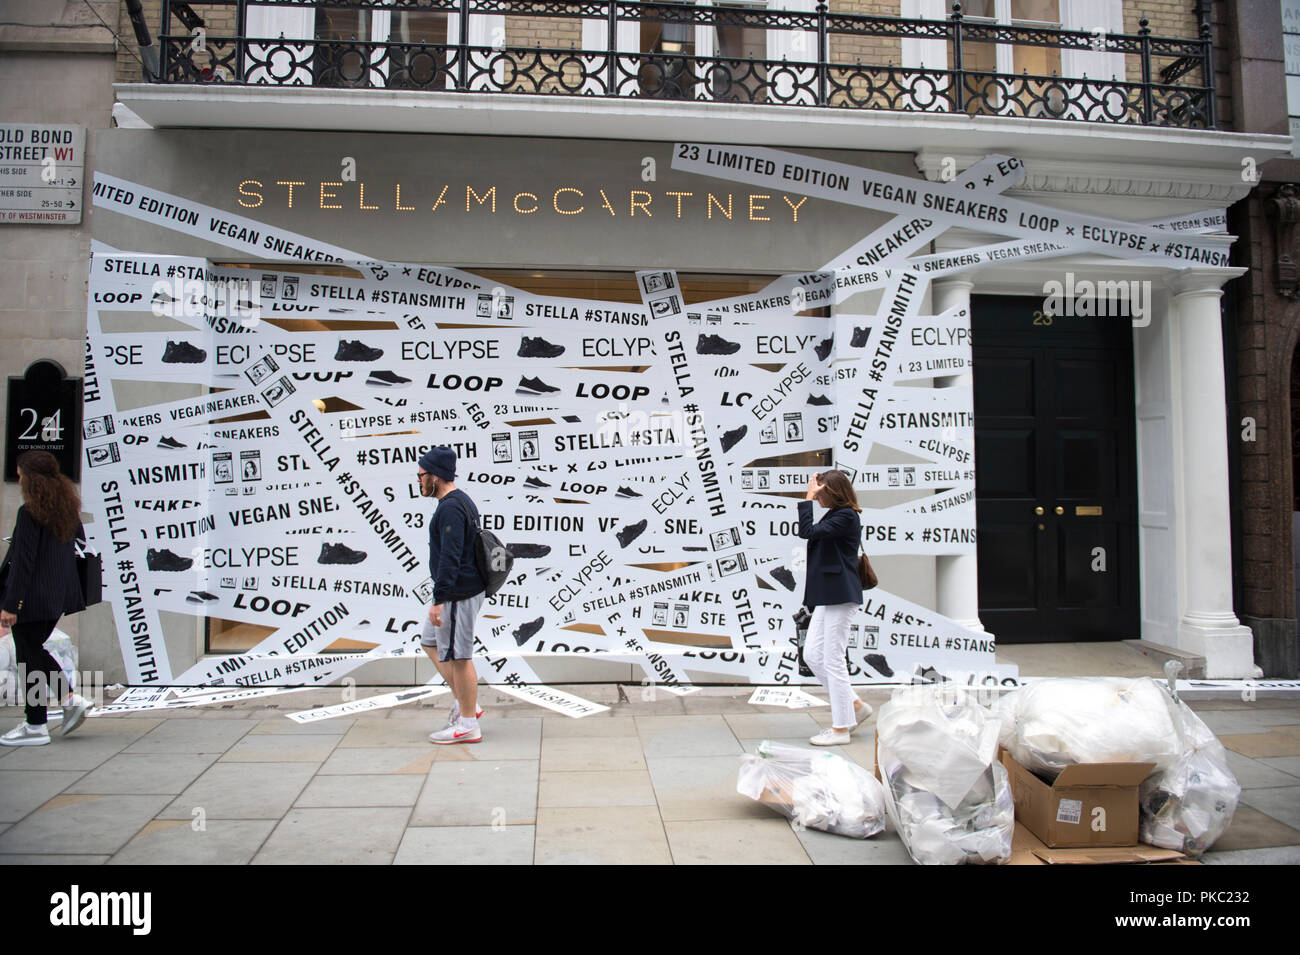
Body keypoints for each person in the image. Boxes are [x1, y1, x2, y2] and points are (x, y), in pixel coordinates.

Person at [0, 451, 94, 746]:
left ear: (32, 478)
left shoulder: (29, 513)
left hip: (32, 597)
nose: (19, 478)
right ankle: (36, 723)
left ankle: (67, 700)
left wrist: (10, 604)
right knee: (31, 655)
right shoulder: (67, 509)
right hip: (58, 594)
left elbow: (24, 563)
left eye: (21, 474)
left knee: (31, 653)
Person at [417, 446, 487, 744]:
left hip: (458, 593)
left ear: (436, 475)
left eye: (421, 476)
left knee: (460, 656)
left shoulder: (450, 507)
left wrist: (439, 600)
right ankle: (466, 703)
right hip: (459, 591)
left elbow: (450, 557)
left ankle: (468, 724)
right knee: (429, 641)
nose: (419, 481)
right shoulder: (459, 501)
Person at [796, 469, 870, 746]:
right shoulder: (838, 516)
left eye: (821, 493)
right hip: (828, 596)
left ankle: (841, 728)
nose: (817, 499)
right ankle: (856, 706)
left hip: (840, 595)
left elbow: (807, 532)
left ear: (833, 492)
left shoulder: (847, 516)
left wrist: (806, 497)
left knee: (833, 661)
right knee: (814, 655)